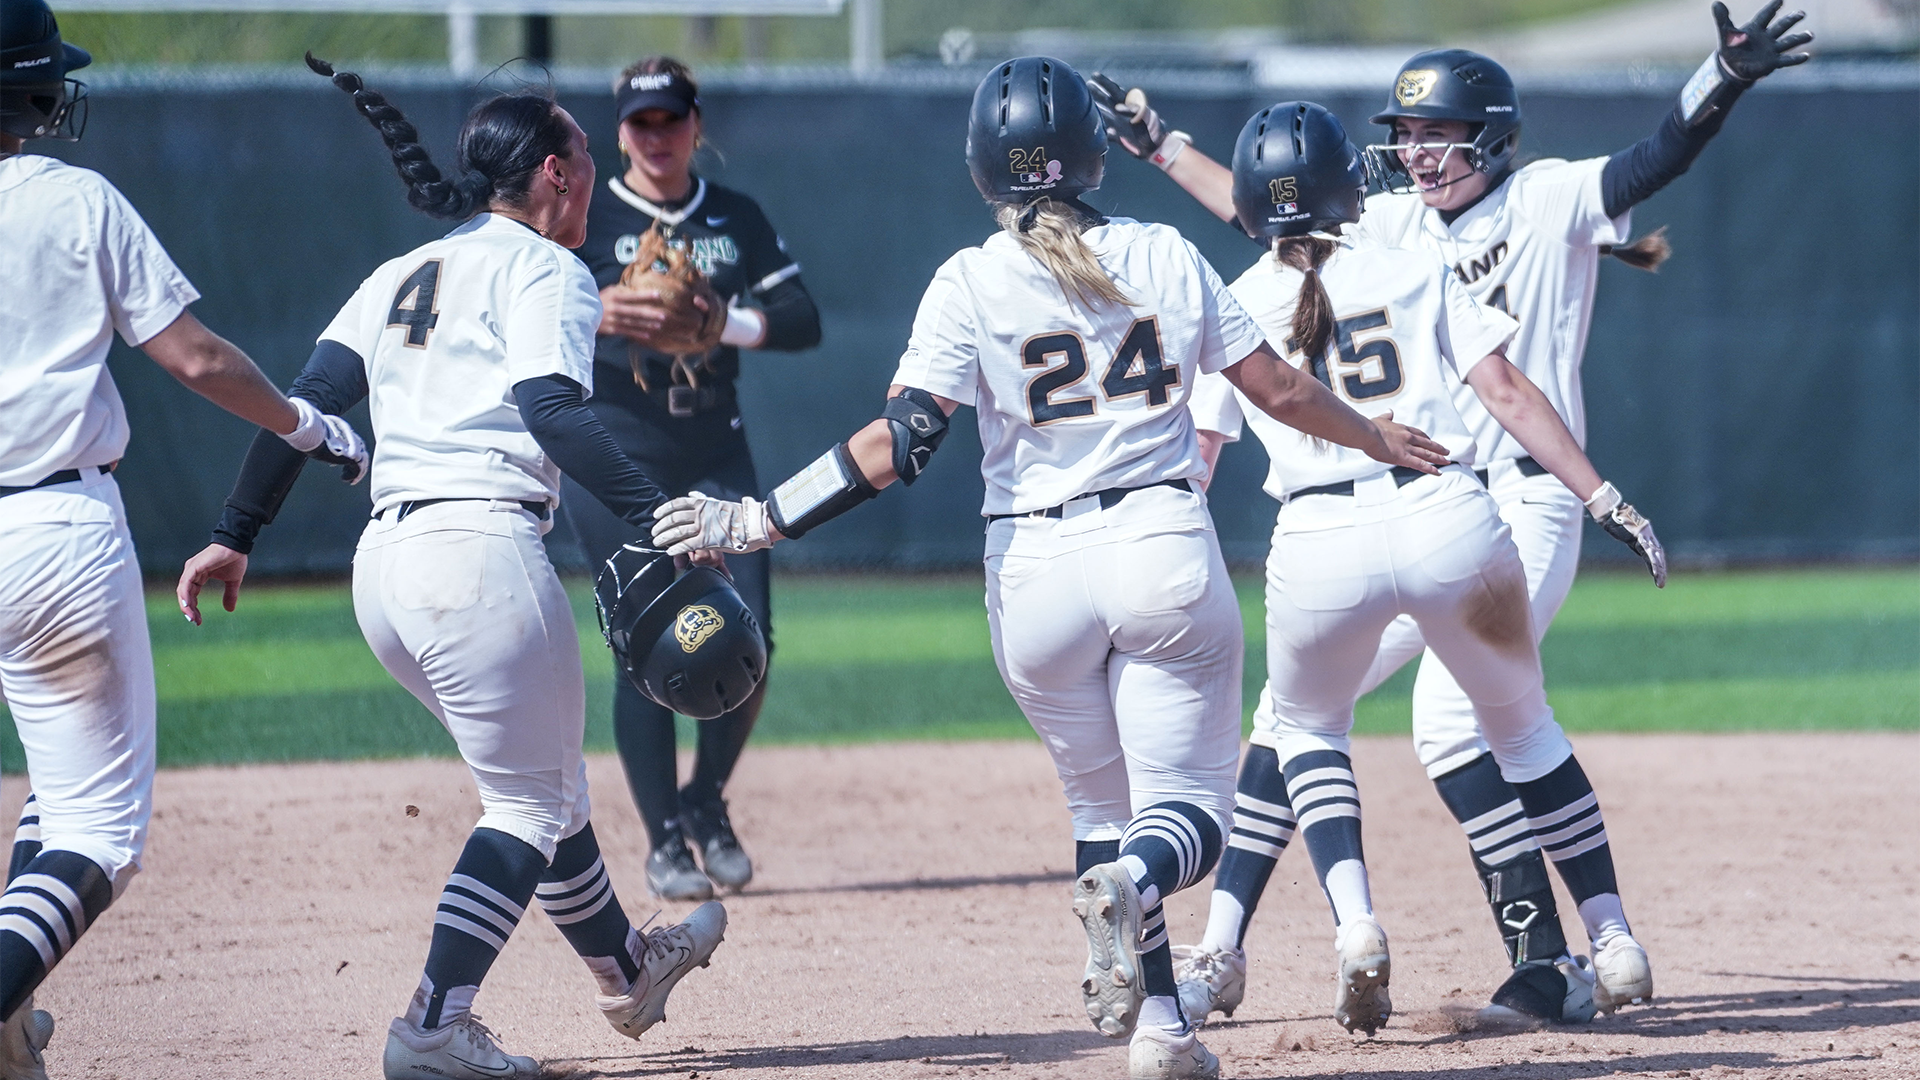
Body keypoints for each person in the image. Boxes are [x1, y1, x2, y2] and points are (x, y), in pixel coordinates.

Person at [649, 57, 1448, 1080]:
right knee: (1188, 817)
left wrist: (760, 518)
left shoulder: (968, 279)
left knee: (1098, 815)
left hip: (1031, 567)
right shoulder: (1162, 252)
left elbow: (900, 441)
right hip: (1159, 549)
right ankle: (1142, 914)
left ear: (984, 168)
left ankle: (1162, 1030)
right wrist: (1375, 437)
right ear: (1094, 158)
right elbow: (1282, 392)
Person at [1090, 0, 1811, 1025]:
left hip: (1518, 489)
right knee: (1291, 721)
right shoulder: (1389, 227)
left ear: (1494, 138)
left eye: (1440, 136)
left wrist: (1722, 79)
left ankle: (1549, 957)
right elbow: (1268, 215)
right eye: (1407, 137)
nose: (1419, 155)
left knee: (1435, 718)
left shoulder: (1551, 196)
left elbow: (1655, 160)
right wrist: (1164, 146)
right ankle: (1224, 952)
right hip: (1443, 505)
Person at [174, 57, 725, 1080]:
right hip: (477, 553)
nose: (597, 174)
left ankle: (626, 971)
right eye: (589, 157)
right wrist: (664, 514)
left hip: (385, 567)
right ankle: (432, 1022)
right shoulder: (549, 270)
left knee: (543, 792)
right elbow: (553, 411)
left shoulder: (401, 274)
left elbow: (305, 403)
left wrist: (237, 529)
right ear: (556, 175)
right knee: (523, 805)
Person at [1173, 102, 1668, 1038]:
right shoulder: (1415, 262)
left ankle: (1331, 931)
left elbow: (1200, 459)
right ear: (1346, 187)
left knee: (1299, 729)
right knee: (1522, 732)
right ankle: (1612, 939)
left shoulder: (1229, 302)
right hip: (1451, 518)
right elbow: (1509, 393)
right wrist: (1607, 500)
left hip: (1319, 543)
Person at [0, 4, 366, 1077]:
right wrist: (311, 425)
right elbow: (198, 360)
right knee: (99, 833)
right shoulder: (74, 201)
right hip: (54, 527)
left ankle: (9, 1030)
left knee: (56, 798)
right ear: (30, 88)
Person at [569, 55, 820, 901]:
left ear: (695, 125)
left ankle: (706, 801)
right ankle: (665, 840)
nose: (658, 136)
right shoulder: (587, 213)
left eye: (671, 119)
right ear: (619, 131)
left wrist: (726, 320)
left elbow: (801, 319)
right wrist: (593, 308)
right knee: (644, 643)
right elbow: (519, 307)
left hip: (715, 450)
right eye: (641, 122)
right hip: (619, 450)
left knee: (751, 639)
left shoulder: (732, 215)